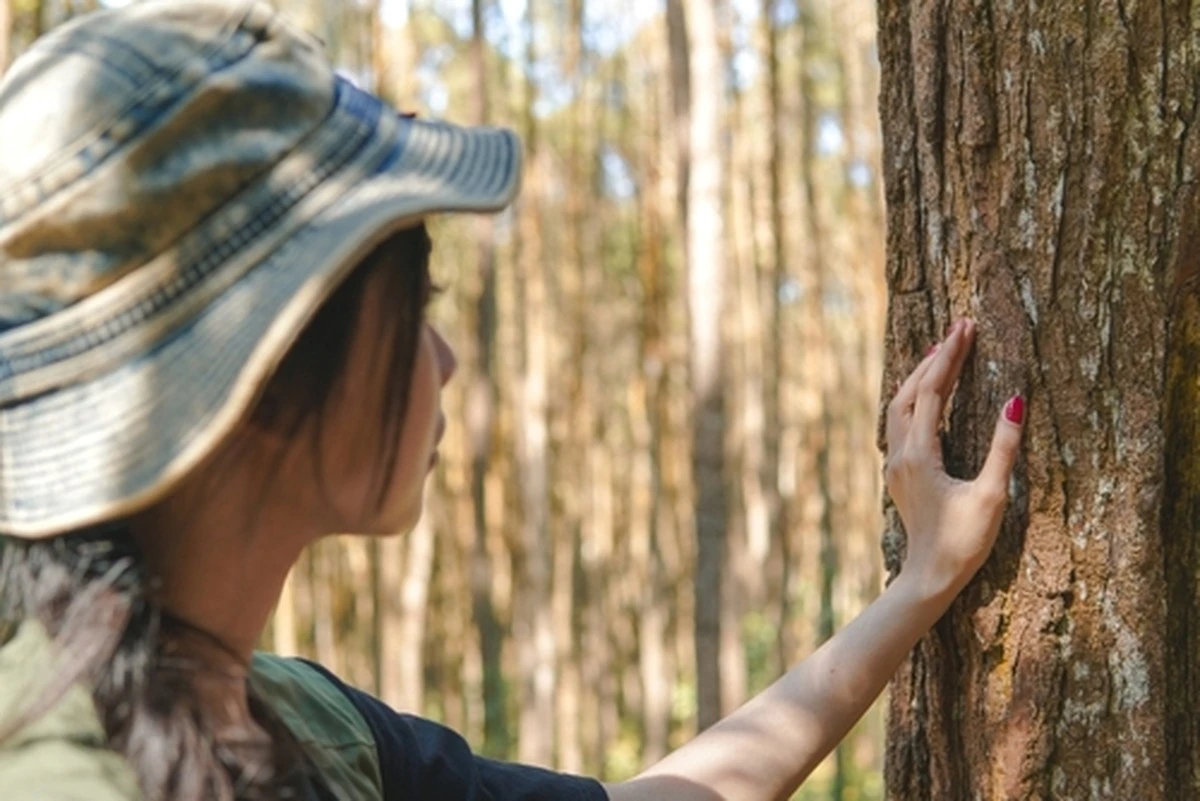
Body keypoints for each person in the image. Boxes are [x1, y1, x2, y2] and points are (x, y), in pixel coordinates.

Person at [0, 2, 1026, 800]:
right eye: (413, 308)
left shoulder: (300, 727)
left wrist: (923, 579)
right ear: (258, 371)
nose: (442, 360)